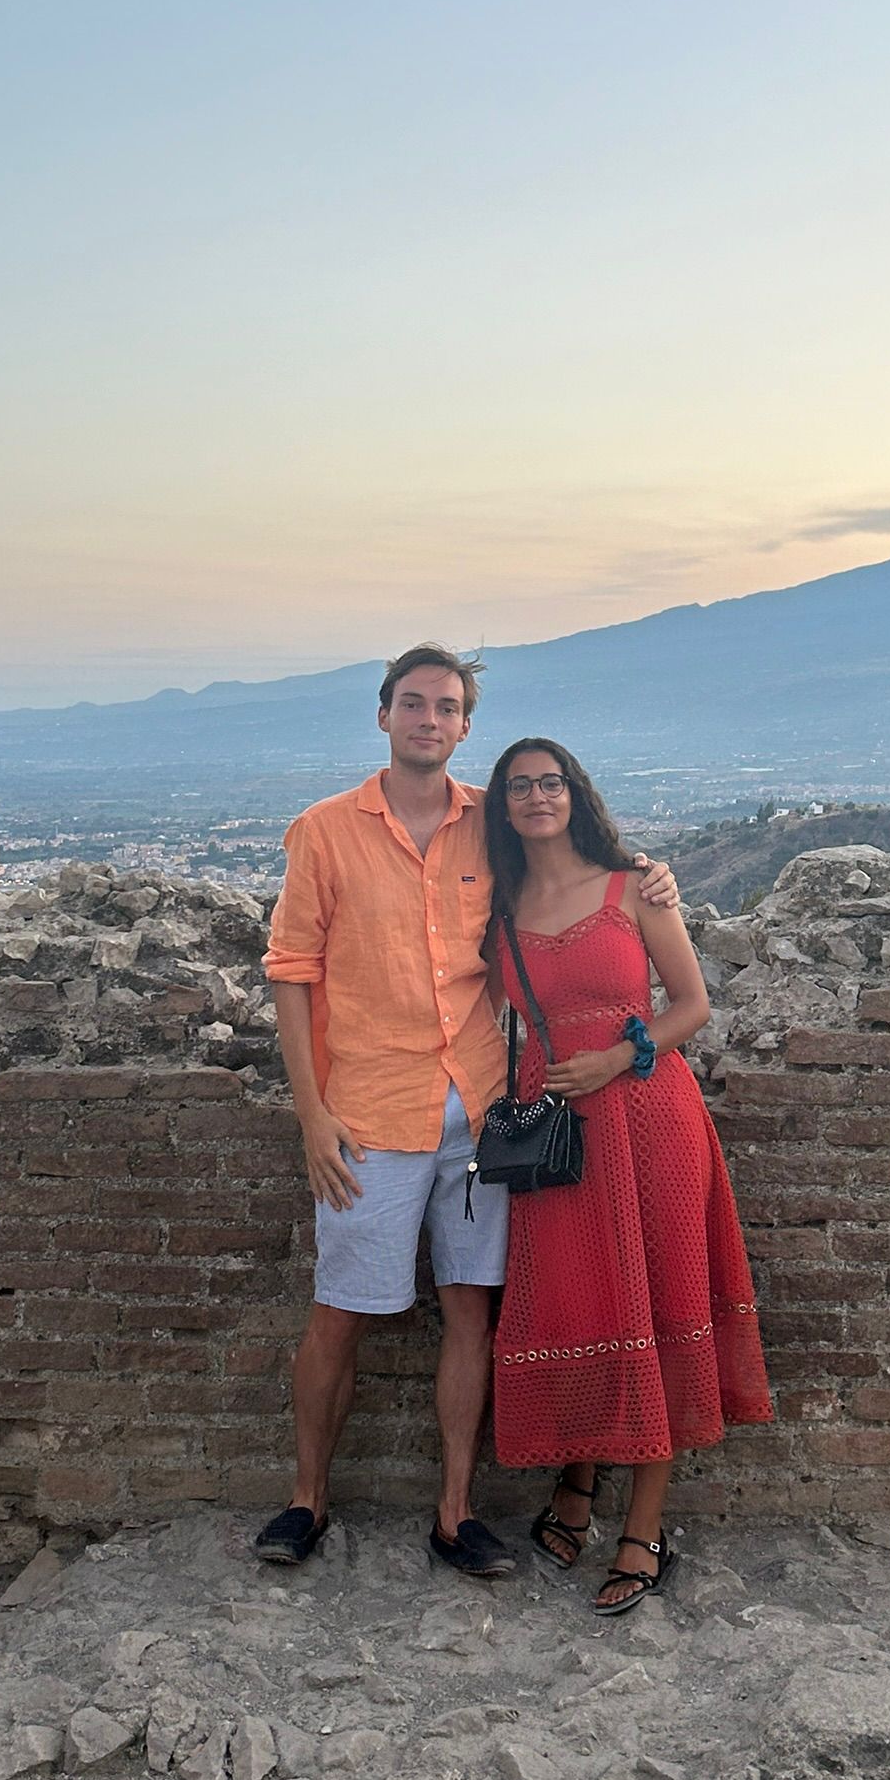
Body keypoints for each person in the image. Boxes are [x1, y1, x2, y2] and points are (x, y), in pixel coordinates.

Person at [255, 646, 680, 1576]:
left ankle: (455, 1513)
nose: (429, 720)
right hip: (368, 1111)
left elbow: (577, 858)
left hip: (486, 1112)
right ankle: (305, 1500)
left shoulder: (490, 825)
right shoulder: (323, 832)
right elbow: (291, 974)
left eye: (446, 707)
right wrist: (311, 1116)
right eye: (414, 704)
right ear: (383, 716)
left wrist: (652, 874)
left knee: (470, 1315)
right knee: (339, 1312)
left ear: (464, 727)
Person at [482, 736, 773, 1615]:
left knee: (657, 1301)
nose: (538, 796)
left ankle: (643, 1527)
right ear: (501, 806)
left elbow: (692, 1005)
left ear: (576, 793)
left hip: (647, 1114)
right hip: (557, 1133)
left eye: (552, 782)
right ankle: (578, 1479)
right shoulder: (498, 904)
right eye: (520, 787)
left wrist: (616, 1057)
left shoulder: (632, 886)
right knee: (581, 1299)